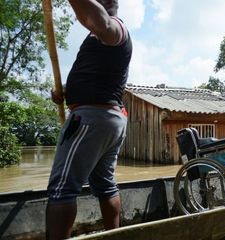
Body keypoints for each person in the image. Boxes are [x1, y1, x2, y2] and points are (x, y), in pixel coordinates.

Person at [46, 0, 132, 239]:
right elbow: (94, 76)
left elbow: (101, 22)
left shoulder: (114, 29)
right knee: (105, 185)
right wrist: (65, 92)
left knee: (62, 189)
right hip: (109, 119)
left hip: (91, 119)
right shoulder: (98, 39)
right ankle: (114, 235)